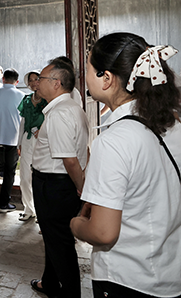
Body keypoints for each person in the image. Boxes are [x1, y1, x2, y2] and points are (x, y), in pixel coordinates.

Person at [70, 33, 181, 298]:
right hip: (170, 272)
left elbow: (103, 232)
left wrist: (76, 225)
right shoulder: (174, 125)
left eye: (87, 68)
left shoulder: (114, 141)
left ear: (106, 78)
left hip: (128, 279)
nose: (84, 76)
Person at [30, 59, 89, 298]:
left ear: (56, 83)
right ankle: (50, 282)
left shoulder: (60, 114)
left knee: (60, 243)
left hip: (54, 185)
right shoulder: (70, 108)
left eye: (41, 79)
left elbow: (70, 160)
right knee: (54, 238)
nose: (37, 83)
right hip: (59, 183)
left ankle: (71, 293)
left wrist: (82, 188)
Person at [0, 68, 25, 213]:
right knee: (9, 172)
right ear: (17, 82)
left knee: (4, 168)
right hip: (14, 138)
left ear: (3, 79)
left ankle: (3, 201)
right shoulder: (22, 96)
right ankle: (3, 203)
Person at [16, 70, 47, 221]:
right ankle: (29, 208)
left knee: (41, 176)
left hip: (43, 140)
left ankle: (43, 212)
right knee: (24, 176)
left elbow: (51, 118)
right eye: (31, 80)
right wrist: (19, 143)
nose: (35, 82)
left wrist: (43, 130)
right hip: (27, 139)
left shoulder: (48, 100)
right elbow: (22, 123)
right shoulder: (26, 100)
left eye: (37, 79)